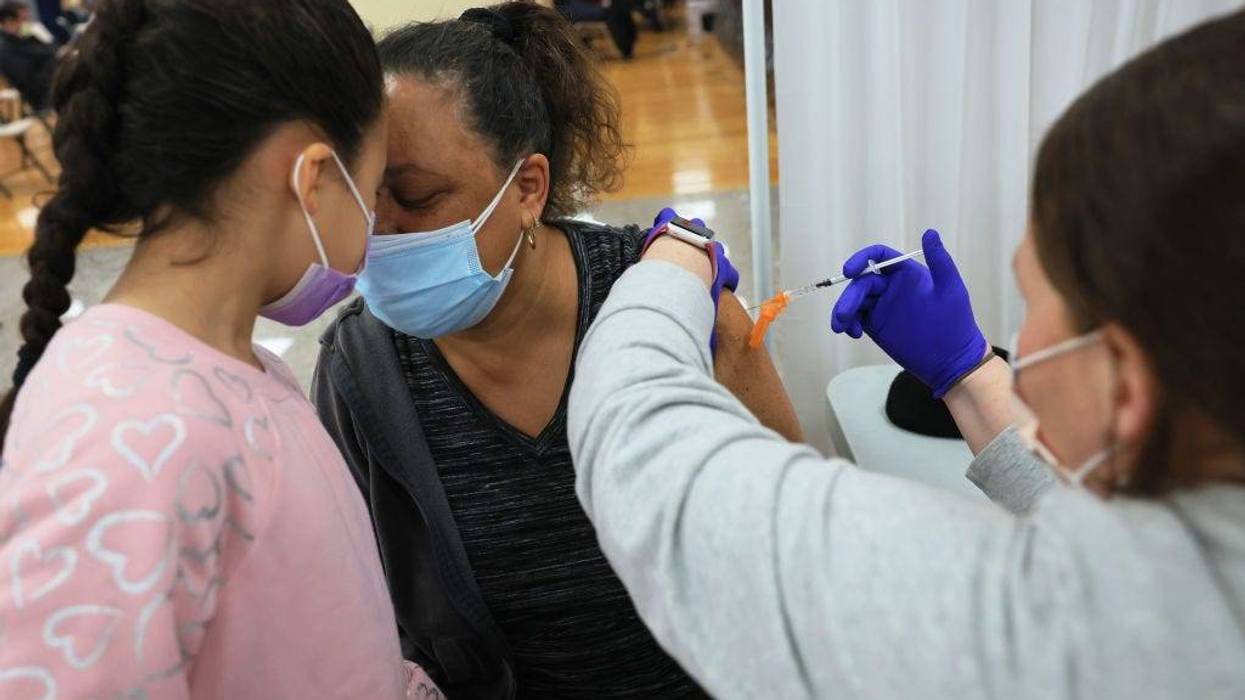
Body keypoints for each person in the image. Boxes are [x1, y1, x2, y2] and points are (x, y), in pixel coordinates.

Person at [567, 9, 1245, 699]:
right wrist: (971, 375)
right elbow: (1081, 517)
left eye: (1036, 300)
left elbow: (639, 448)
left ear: (1126, 387)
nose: (1025, 344)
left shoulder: (1050, 634)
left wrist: (672, 260)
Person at [312, 3, 801, 696]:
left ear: (526, 187)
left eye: (417, 197)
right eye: (366, 198)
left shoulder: (665, 296)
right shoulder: (363, 373)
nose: (382, 231)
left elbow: (791, 520)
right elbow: (359, 607)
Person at [0, 0, 439, 697]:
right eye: (378, 185)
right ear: (315, 174)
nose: (378, 221)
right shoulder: (129, 438)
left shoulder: (240, 369)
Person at [0, 0, 57, 109]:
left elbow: (53, 50)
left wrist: (45, 40)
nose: (28, 23)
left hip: (53, 87)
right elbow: (29, 82)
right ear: (9, 21)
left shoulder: (27, 38)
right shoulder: (5, 49)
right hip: (41, 98)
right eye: (24, 19)